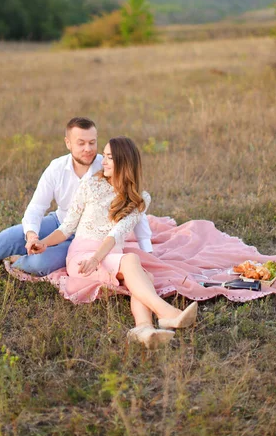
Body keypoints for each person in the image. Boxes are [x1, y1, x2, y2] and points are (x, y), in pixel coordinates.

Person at [0, 118, 153, 286]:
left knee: (40, 263)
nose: (88, 149)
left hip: (88, 237)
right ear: (68, 143)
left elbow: (134, 201)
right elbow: (36, 208)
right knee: (8, 236)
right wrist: (31, 235)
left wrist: (146, 247)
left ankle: (18, 260)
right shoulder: (56, 168)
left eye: (92, 142)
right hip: (61, 222)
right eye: (81, 142)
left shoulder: (109, 163)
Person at [11, 136, 198, 349]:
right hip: (83, 256)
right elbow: (66, 227)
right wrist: (44, 243)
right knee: (131, 260)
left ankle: (144, 329)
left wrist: (98, 258)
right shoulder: (91, 185)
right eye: (105, 156)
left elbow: (117, 234)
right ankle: (167, 313)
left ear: (124, 162)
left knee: (143, 276)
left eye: (109, 157)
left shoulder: (139, 199)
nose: (103, 162)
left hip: (108, 254)